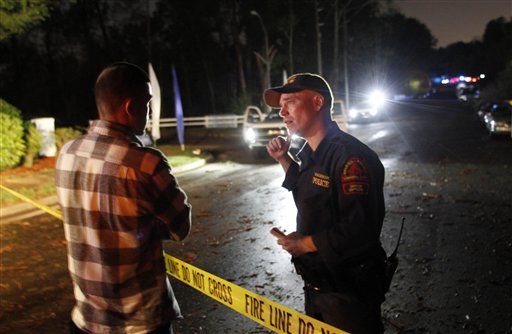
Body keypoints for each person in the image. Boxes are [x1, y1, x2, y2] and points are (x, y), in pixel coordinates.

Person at [56, 62, 192, 334]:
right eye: (148, 104)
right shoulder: (146, 164)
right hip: (140, 323)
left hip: (86, 318)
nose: (150, 112)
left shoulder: (67, 153)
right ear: (131, 108)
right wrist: (142, 224)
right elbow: (180, 227)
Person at [265, 73, 387, 333]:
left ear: (318, 102)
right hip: (319, 286)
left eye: (290, 102)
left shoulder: (350, 157)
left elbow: (359, 229)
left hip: (349, 294)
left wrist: (304, 244)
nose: (282, 112)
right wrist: (283, 159)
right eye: (281, 106)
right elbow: (309, 194)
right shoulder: (312, 152)